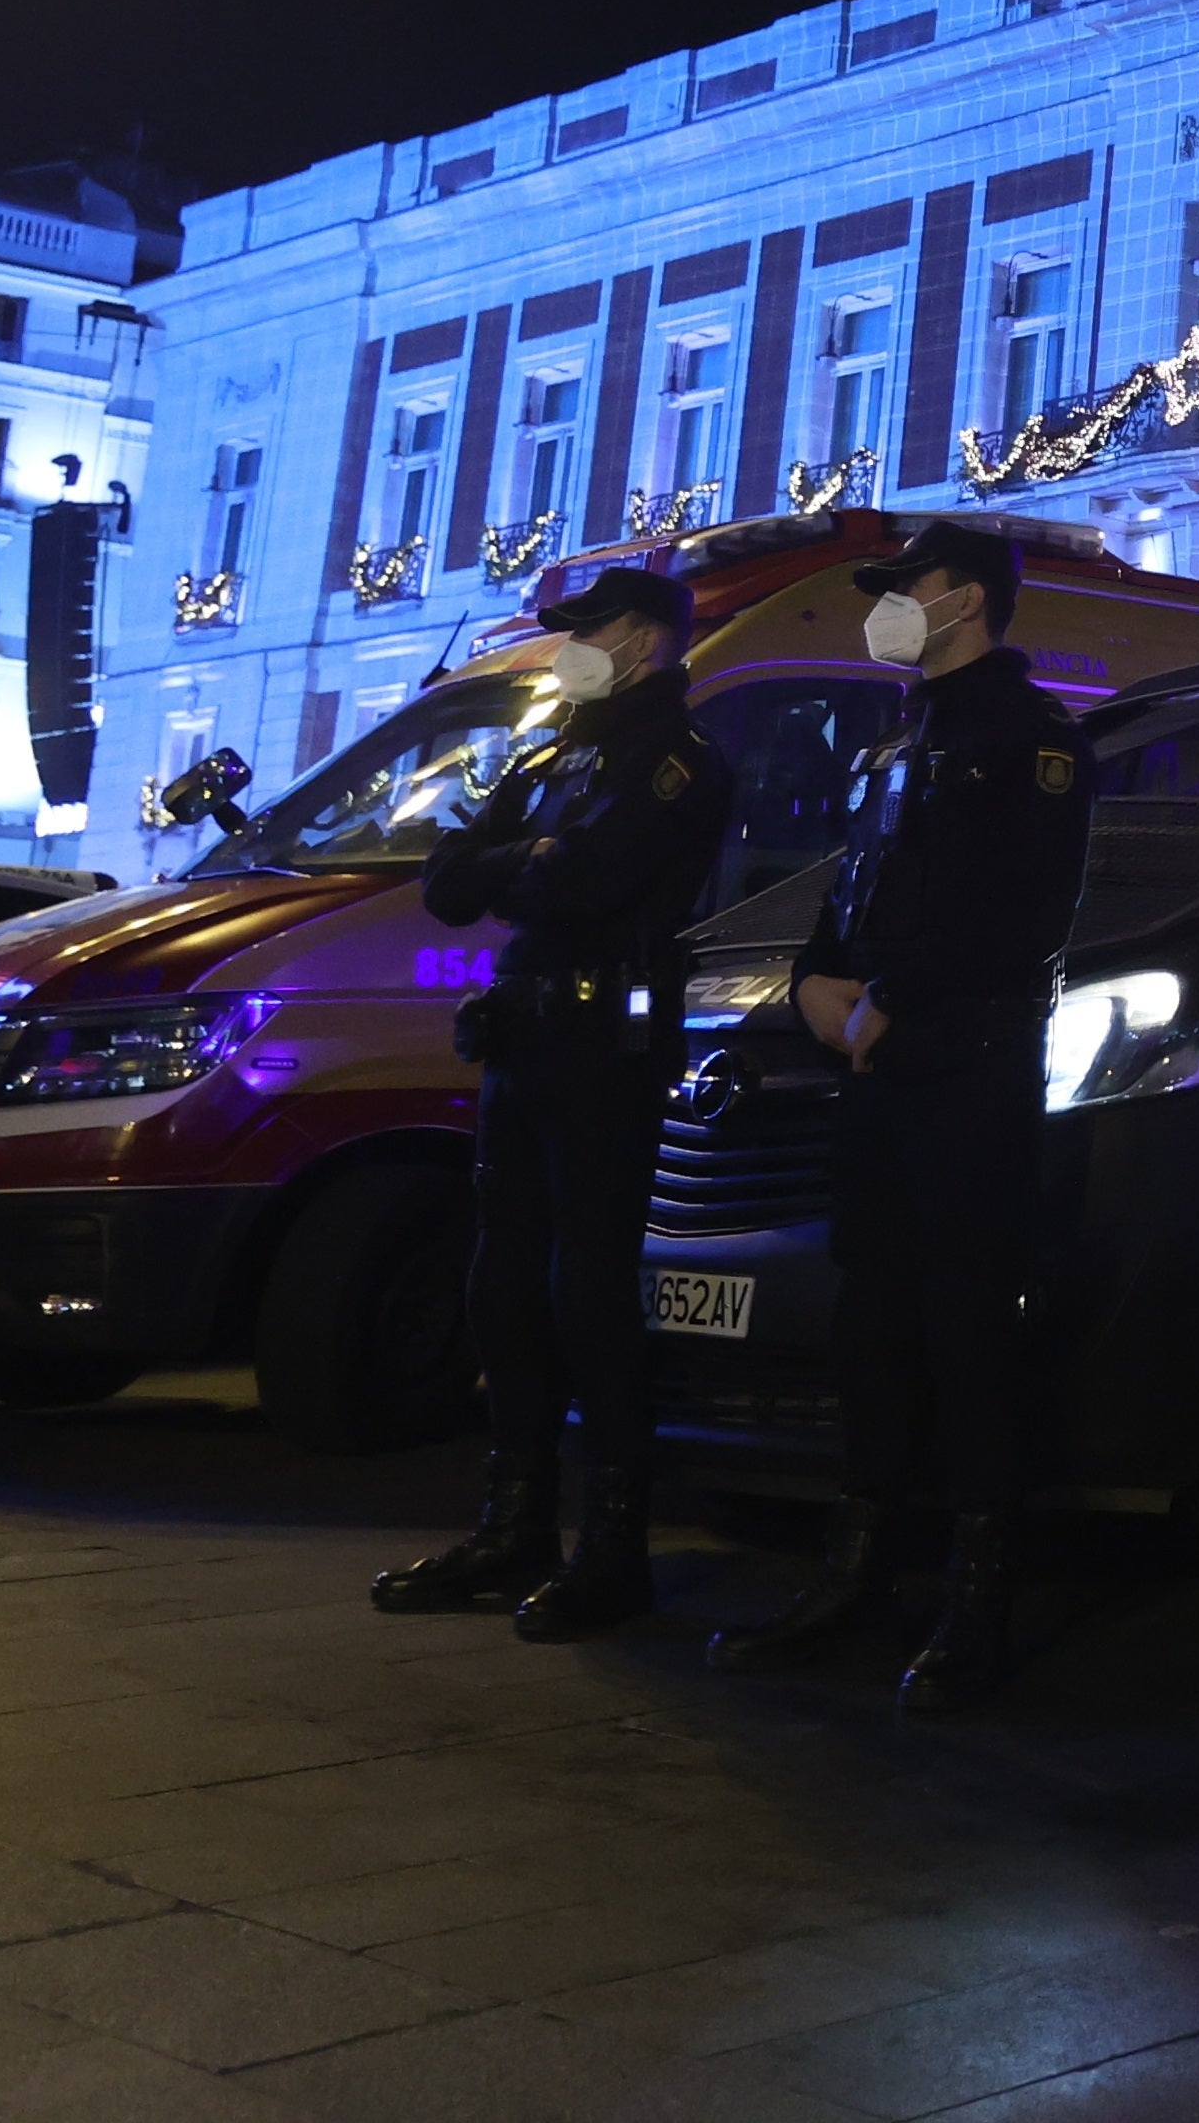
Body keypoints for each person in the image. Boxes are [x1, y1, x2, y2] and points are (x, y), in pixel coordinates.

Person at [712, 519, 1089, 1711]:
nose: (888, 605)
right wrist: (813, 984)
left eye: (904, 586)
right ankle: (860, 1569)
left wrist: (894, 998)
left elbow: (1021, 913)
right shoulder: (896, 739)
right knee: (872, 1321)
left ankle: (977, 1595)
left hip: (964, 1066)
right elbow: (854, 888)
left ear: (966, 599)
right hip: (875, 1067)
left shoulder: (1032, 740)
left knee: (969, 1329)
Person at [374, 566, 736, 1634]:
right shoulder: (546, 750)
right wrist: (522, 854)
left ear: (647, 638)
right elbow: (442, 882)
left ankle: (612, 1548)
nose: (571, 644)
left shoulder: (679, 761)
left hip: (604, 1048)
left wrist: (518, 861)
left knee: (589, 1294)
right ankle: (513, 1525)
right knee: (505, 1289)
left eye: (590, 627)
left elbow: (581, 882)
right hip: (523, 1033)